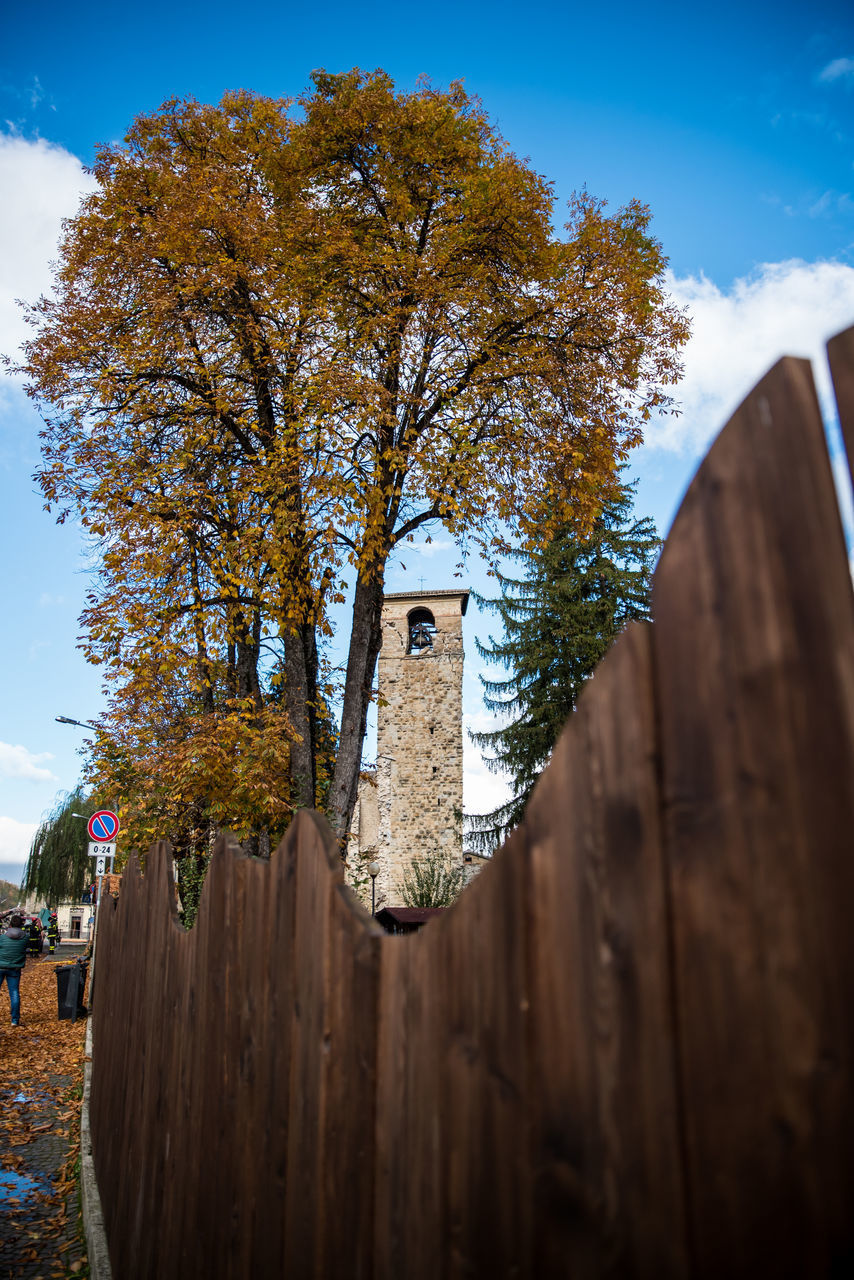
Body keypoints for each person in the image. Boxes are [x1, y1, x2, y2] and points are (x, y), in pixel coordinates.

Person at [0, 913, 27, 1026]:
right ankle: (14, 1020)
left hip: (0, 967)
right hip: (15, 969)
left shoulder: (2, 938)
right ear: (21, 925)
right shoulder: (25, 937)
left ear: (10, 925)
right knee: (14, 993)